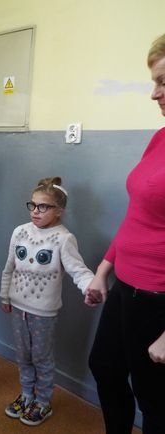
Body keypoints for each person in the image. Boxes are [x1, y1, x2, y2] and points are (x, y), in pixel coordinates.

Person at [85, 34, 165, 434]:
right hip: (125, 287)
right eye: (154, 82)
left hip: (157, 300)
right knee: (104, 365)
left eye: (163, 82)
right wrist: (104, 269)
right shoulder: (160, 138)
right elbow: (138, 216)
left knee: (155, 400)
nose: (154, 94)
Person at [0, 177, 94, 427]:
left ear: (59, 211)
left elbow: (78, 269)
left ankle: (43, 401)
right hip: (18, 307)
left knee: (41, 357)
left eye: (43, 207)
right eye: (32, 205)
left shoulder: (63, 238)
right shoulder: (20, 231)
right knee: (23, 354)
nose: (35, 211)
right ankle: (27, 395)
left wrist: (91, 286)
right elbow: (9, 267)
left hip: (43, 313)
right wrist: (4, 295)